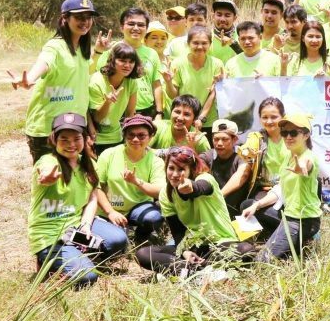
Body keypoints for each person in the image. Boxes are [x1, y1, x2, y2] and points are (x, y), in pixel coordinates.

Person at [28, 113, 127, 287]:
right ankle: (48, 261)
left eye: (76, 138)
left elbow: (92, 198)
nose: (71, 144)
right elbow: (45, 171)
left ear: (86, 139)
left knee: (118, 240)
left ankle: (77, 254)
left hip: (75, 226)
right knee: (87, 278)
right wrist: (46, 178)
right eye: (64, 139)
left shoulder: (88, 164)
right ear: (54, 139)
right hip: (50, 236)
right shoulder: (48, 161)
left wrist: (85, 226)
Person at [135, 146, 254, 275]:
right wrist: (185, 252)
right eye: (171, 168)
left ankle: (191, 271)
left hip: (219, 244)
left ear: (191, 170)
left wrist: (191, 187)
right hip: (192, 246)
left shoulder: (206, 179)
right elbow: (177, 231)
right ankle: (194, 271)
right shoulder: (165, 194)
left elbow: (201, 187)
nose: (174, 174)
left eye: (181, 169)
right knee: (143, 253)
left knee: (246, 250)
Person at [10, 0, 98, 163]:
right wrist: (30, 78)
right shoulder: (55, 46)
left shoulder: (83, 50)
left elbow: (81, 90)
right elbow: (44, 62)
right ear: (65, 18)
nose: (85, 22)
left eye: (88, 17)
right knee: (49, 176)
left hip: (74, 126)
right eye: (79, 17)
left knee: (72, 175)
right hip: (48, 129)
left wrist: (89, 125)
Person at [241, 114, 324, 261]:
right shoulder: (288, 156)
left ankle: (302, 239)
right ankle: (288, 241)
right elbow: (280, 189)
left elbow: (306, 165)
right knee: (249, 205)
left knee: (261, 262)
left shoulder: (308, 157)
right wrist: (257, 205)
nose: (288, 137)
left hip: (303, 221)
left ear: (306, 135)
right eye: (284, 133)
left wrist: (302, 168)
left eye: (294, 133)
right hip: (288, 214)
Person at [94, 115, 165, 245]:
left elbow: (159, 191)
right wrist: (110, 211)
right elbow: (96, 187)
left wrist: (136, 181)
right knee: (116, 242)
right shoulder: (108, 154)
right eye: (131, 135)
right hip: (109, 208)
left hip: (138, 208)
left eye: (141, 135)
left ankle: (141, 236)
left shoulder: (155, 161)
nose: (135, 139)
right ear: (124, 136)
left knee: (154, 218)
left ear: (150, 137)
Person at [95, 8, 164, 120]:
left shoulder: (152, 53)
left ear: (146, 29)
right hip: (117, 110)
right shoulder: (110, 50)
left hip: (146, 110)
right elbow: (99, 78)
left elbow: (156, 84)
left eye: (141, 25)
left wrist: (159, 112)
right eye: (131, 24)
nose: (136, 28)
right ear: (122, 27)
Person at [238, 97, 290, 236]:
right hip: (265, 191)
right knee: (247, 205)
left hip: (289, 189)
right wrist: (247, 153)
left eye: (274, 117)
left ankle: (293, 227)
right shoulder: (257, 137)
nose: (269, 121)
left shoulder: (291, 137)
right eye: (264, 117)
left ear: (283, 117)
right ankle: (285, 227)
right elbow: (245, 150)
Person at [162, 26, 223, 132]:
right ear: (188, 43)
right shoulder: (178, 64)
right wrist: (168, 82)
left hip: (208, 120)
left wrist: (201, 118)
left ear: (210, 44)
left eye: (204, 43)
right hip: (183, 120)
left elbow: (213, 94)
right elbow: (173, 95)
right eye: (195, 43)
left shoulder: (217, 64)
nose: (200, 47)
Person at [88, 42, 141, 155]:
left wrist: (129, 136)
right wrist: (107, 102)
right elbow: (97, 118)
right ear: (112, 60)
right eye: (122, 61)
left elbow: (130, 114)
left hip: (116, 136)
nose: (127, 65)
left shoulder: (131, 82)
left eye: (131, 61)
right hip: (95, 137)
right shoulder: (96, 81)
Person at [199, 119, 252, 217]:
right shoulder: (208, 155)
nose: (219, 143)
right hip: (212, 206)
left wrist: (218, 196)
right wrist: (192, 146)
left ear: (234, 139)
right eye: (216, 139)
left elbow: (243, 175)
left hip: (236, 210)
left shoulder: (242, 155)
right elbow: (195, 166)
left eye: (224, 139)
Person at [208, 0, 243, 64]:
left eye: (227, 15)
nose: (222, 19)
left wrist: (233, 43)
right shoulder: (206, 36)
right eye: (219, 15)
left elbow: (248, 58)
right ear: (213, 16)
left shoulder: (242, 36)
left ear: (234, 18)